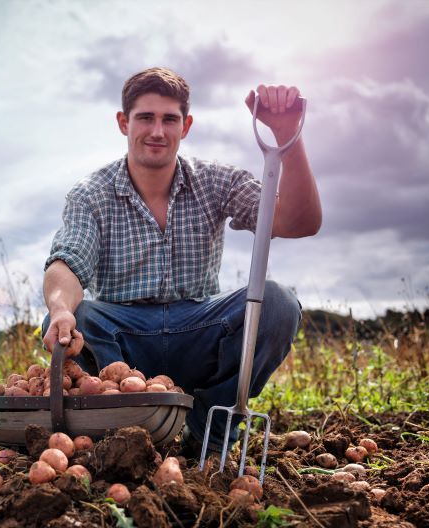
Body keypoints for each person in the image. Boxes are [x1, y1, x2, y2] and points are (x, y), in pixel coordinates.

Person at [41, 67, 321, 455]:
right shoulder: (91, 195)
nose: (157, 131)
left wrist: (288, 136)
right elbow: (67, 262)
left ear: (185, 126)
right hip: (125, 344)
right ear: (124, 123)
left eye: (169, 119)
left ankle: (213, 425)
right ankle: (127, 435)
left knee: (278, 303)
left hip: (200, 330)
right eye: (145, 118)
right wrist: (59, 309)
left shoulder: (215, 180)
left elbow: (299, 221)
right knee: (80, 317)